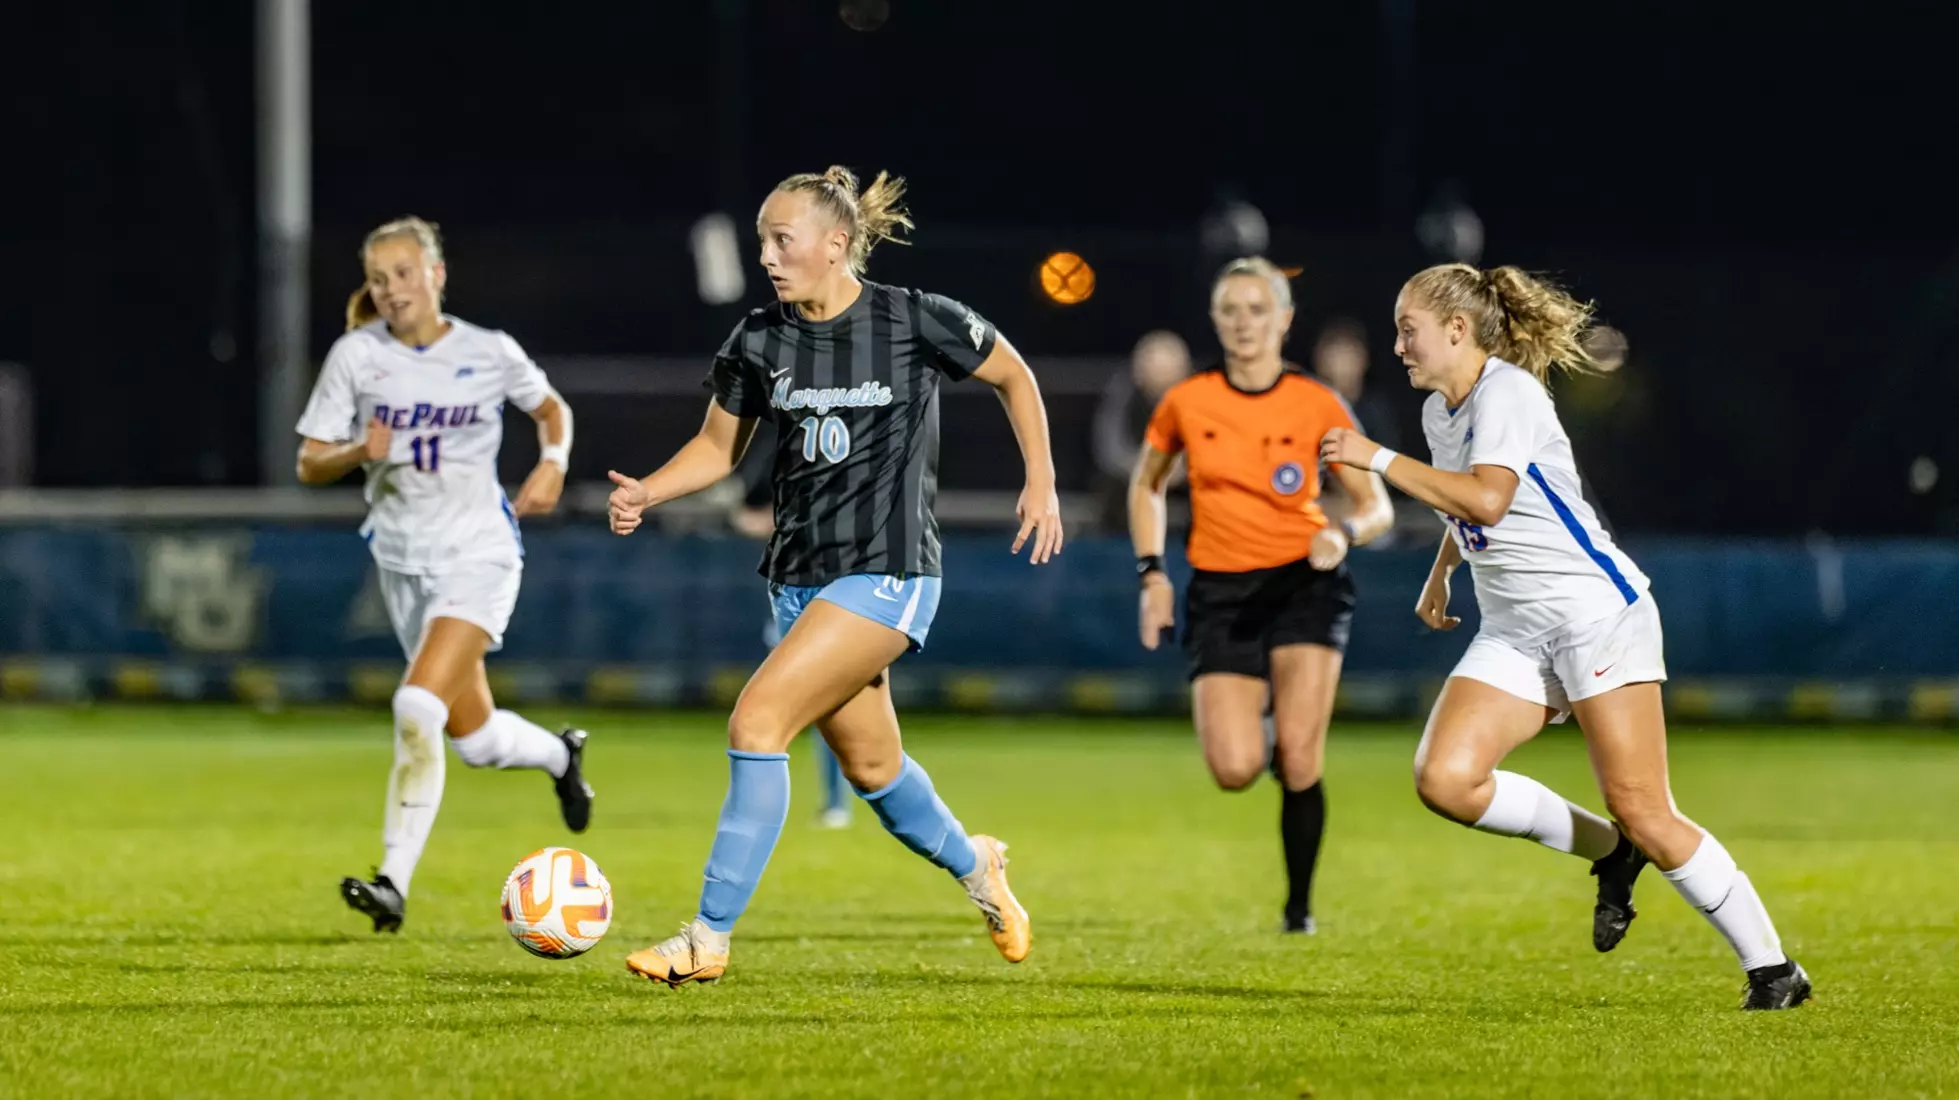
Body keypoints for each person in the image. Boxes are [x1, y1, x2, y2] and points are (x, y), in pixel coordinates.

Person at [606, 166, 1062, 986]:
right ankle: (978, 865)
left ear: (835, 243)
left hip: (888, 571)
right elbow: (716, 448)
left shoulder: (913, 318)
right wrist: (648, 490)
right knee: (875, 772)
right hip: (797, 579)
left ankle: (706, 938)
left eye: (782, 240)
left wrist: (1041, 479)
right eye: (762, 241)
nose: (767, 256)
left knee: (756, 724)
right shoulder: (758, 338)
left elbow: (1013, 375)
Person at [1319, 262, 1811, 1011]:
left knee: (1645, 808)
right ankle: (1611, 853)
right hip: (1515, 629)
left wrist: (1376, 460)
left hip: (1592, 617)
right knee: (1445, 780)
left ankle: (1774, 971)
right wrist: (1442, 570)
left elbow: (1488, 499)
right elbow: (1468, 508)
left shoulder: (1508, 392)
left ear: (1457, 330)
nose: (1397, 346)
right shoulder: (1440, 413)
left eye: (1407, 330)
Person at [295, 216, 595, 934]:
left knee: (415, 706)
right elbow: (308, 462)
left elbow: (551, 409)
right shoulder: (357, 356)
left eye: (403, 273)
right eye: (378, 279)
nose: (391, 289)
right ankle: (560, 755)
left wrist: (552, 464)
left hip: (478, 553)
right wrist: (357, 451)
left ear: (436, 275)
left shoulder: (488, 350)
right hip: (402, 561)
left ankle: (392, 883)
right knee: (476, 739)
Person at [1131, 257, 1395, 935]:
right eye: (1230, 310)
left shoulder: (1317, 403)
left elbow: (1377, 506)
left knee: (1302, 759)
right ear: (1215, 320)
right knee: (1234, 768)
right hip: (1221, 592)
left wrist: (1343, 532)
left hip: (1304, 582)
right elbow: (1147, 484)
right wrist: (1153, 575)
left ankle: (1298, 909)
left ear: (1284, 319)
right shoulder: (1186, 401)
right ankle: (1273, 729)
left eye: (1257, 309)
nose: (1243, 323)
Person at [1093, 330, 1192, 530]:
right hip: (1134, 472)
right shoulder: (1123, 394)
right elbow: (1110, 446)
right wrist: (1143, 468)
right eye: (1157, 371)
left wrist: (1182, 468)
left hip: (1183, 474)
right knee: (1111, 488)